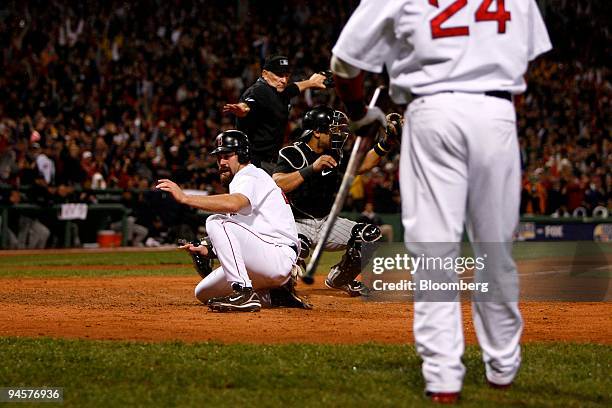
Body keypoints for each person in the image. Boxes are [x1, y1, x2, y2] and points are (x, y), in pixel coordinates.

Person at [330, 0, 552, 403]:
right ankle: (503, 369)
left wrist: (360, 113)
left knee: (434, 251)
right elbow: (526, 58)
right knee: (495, 250)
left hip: (432, 109)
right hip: (497, 112)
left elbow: (344, 62)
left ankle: (443, 378)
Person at [156, 130, 309, 312]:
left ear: (243, 155)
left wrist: (185, 198)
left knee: (216, 221)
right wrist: (209, 250)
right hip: (266, 259)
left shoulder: (249, 175)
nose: (221, 162)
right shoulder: (246, 179)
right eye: (219, 156)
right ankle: (274, 295)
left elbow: (235, 204)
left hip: (277, 257)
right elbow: (244, 231)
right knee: (203, 293)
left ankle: (244, 292)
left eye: (227, 155)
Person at [272, 106, 401, 296]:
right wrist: (311, 168)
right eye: (334, 130)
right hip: (296, 223)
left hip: (326, 221)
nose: (340, 134)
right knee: (296, 251)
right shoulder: (293, 153)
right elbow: (278, 182)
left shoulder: (336, 153)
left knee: (370, 235)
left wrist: (387, 142)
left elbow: (363, 164)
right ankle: (282, 286)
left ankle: (341, 278)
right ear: (316, 131)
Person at [223, 55, 331, 174]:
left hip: (268, 161)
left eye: (286, 75)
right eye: (279, 75)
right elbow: (248, 105)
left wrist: (310, 82)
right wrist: (242, 109)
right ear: (265, 74)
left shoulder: (279, 90)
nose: (284, 80)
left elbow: (293, 88)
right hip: (254, 163)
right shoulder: (259, 91)